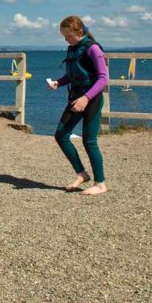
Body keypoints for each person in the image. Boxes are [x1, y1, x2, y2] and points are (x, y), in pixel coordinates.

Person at [48, 16, 109, 196]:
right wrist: (58, 83)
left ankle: (100, 183)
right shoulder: (72, 49)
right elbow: (73, 74)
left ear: (78, 32)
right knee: (61, 135)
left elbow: (103, 78)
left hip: (91, 99)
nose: (65, 39)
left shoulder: (93, 49)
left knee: (89, 140)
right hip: (75, 98)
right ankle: (81, 174)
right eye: (64, 36)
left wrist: (86, 98)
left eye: (67, 35)